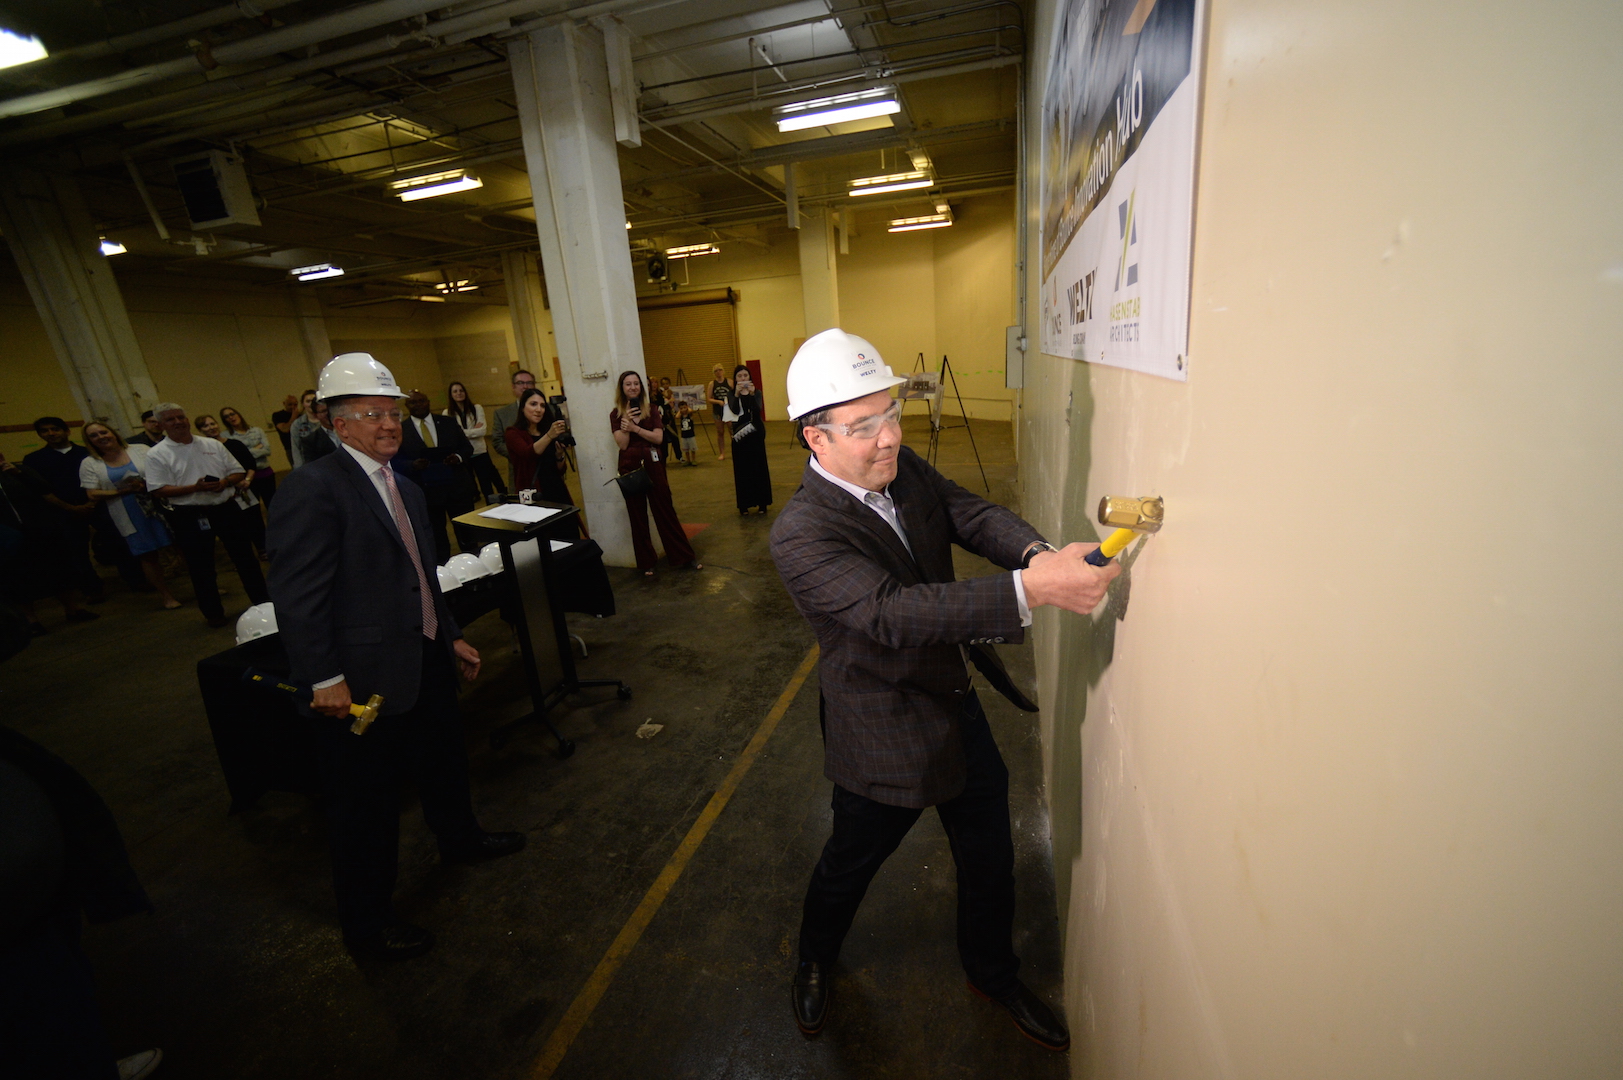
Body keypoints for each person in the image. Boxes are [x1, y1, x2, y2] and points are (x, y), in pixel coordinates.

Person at [769, 328, 1122, 1050]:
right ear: (815, 439)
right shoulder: (801, 534)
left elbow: (968, 512)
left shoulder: (898, 468)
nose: (888, 439)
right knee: (849, 864)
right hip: (882, 732)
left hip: (954, 707)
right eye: (863, 427)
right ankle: (814, 958)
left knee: (989, 859)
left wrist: (1038, 554)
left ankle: (990, 974)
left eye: (890, 415)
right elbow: (890, 615)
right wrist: (1032, 591)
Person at [265, 351, 524, 962]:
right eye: (372, 413)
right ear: (338, 423)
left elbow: (420, 575)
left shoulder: (402, 484)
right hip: (359, 680)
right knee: (364, 808)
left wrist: (450, 631)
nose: (388, 424)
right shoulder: (313, 489)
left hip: (424, 655)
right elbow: (298, 596)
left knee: (444, 761)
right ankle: (368, 924)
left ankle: (459, 838)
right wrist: (323, 677)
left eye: (394, 413)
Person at [142, 402, 270, 628]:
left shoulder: (212, 444)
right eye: (171, 419)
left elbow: (238, 470)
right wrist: (195, 488)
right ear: (161, 425)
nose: (178, 422)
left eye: (181, 417)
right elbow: (157, 489)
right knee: (201, 567)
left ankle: (264, 603)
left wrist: (225, 482)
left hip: (224, 507)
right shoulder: (157, 454)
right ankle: (213, 613)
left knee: (245, 559)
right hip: (190, 514)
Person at [78, 422, 180, 610]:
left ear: (113, 432)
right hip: (128, 512)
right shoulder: (90, 463)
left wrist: (146, 485)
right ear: (89, 441)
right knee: (148, 555)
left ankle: (204, 585)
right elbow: (92, 494)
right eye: (94, 435)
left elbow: (164, 470)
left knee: (182, 544)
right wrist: (122, 491)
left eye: (103, 432)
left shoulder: (140, 449)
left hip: (156, 504)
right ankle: (166, 595)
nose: (101, 437)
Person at [611, 371, 699, 577]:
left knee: (665, 509)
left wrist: (635, 428)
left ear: (641, 387)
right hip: (630, 466)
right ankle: (646, 562)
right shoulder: (615, 414)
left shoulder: (651, 410)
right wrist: (626, 425)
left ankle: (683, 556)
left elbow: (658, 438)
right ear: (622, 389)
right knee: (637, 515)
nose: (632, 387)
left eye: (636, 384)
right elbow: (622, 444)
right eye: (627, 384)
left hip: (653, 462)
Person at [0, 451, 98, 633]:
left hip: (42, 530)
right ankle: (31, 620)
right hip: (11, 537)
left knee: (59, 570)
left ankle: (72, 609)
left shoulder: (20, 471)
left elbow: (44, 488)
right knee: (20, 578)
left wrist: (18, 473)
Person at [21, 417, 105, 603]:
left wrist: (91, 504)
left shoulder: (88, 454)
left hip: (97, 505)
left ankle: (136, 579)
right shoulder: (34, 460)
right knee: (77, 553)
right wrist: (71, 508)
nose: (51, 434)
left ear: (66, 431)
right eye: (45, 431)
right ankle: (91, 588)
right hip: (63, 510)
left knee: (117, 541)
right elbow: (41, 491)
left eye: (55, 429)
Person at [395, 389, 475, 564]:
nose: (418, 405)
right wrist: (412, 465)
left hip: (456, 487)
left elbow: (467, 448)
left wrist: (458, 458)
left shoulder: (448, 423)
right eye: (413, 402)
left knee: (467, 532)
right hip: (426, 492)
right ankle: (443, 571)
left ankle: (473, 563)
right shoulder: (401, 430)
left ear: (428, 402)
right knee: (437, 536)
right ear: (407, 405)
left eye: (422, 401)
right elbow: (394, 460)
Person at [196, 414, 268, 559]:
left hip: (245, 489)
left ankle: (263, 549)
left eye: (213, 423)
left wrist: (247, 480)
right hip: (225, 492)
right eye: (206, 426)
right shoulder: (203, 451)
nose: (211, 427)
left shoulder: (235, 444)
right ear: (201, 430)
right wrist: (231, 481)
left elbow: (250, 464)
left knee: (255, 521)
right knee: (237, 527)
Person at [505, 388, 575, 512]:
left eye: (542, 406)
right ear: (522, 407)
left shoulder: (545, 431)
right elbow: (528, 453)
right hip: (535, 493)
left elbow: (559, 470)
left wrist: (559, 456)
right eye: (533, 404)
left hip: (556, 491)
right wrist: (549, 435)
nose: (538, 410)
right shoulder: (513, 433)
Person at [444, 380, 506, 504]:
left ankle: (495, 504)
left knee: (486, 483)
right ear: (451, 395)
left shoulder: (476, 408)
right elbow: (452, 435)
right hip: (463, 454)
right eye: (455, 391)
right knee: (470, 484)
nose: (459, 393)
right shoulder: (447, 413)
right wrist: (472, 431)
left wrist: (462, 433)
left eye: (461, 390)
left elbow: (482, 431)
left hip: (479, 452)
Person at [728, 365, 772, 514]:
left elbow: (757, 409)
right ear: (735, 379)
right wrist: (736, 394)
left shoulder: (757, 392)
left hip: (755, 433)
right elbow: (733, 411)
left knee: (758, 467)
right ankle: (744, 504)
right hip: (739, 435)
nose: (742, 379)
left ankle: (762, 503)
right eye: (739, 376)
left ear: (750, 377)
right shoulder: (731, 394)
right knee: (742, 469)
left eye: (745, 376)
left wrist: (751, 395)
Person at [220, 406, 276, 508]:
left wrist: (244, 453)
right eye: (226, 417)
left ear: (238, 414)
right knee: (253, 508)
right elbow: (235, 458)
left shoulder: (257, 431)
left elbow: (267, 450)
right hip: (246, 478)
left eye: (232, 414)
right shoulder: (225, 436)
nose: (231, 417)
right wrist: (257, 448)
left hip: (265, 473)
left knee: (273, 505)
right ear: (224, 421)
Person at [489, 369, 536, 488]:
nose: (525, 386)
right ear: (513, 387)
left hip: (545, 469)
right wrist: (518, 454)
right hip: (518, 470)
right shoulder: (502, 414)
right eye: (520, 383)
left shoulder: (548, 409)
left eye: (529, 383)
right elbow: (498, 441)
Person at [296, 399, 340, 465]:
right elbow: (312, 466)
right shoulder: (311, 441)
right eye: (323, 411)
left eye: (329, 409)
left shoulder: (350, 430)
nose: (328, 413)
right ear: (316, 415)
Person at [287, 389, 320, 468]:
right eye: (308, 401)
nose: (311, 404)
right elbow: (296, 449)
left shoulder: (327, 420)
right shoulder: (297, 425)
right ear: (303, 404)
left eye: (314, 401)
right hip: (309, 465)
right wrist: (300, 470)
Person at [706, 364, 732, 461]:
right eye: (716, 371)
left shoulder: (729, 382)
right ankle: (722, 453)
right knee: (720, 432)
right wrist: (718, 402)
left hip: (729, 410)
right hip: (718, 411)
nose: (718, 372)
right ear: (714, 373)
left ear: (723, 371)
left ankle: (736, 450)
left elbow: (735, 395)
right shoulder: (712, 384)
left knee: (732, 431)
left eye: (720, 370)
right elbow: (709, 398)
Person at [270, 394, 299, 462]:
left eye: (295, 404)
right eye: (290, 404)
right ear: (284, 404)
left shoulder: (300, 415)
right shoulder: (278, 415)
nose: (293, 407)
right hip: (290, 448)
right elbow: (285, 429)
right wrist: (294, 416)